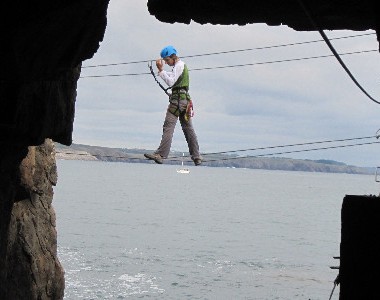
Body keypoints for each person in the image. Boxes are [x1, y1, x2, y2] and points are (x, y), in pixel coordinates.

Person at [144, 45, 202, 166]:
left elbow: (171, 81)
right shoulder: (178, 66)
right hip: (184, 101)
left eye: (166, 60)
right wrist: (162, 72)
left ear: (172, 57)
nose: (166, 62)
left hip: (177, 102)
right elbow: (173, 78)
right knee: (188, 129)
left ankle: (160, 154)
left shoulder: (180, 65)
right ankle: (196, 156)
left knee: (168, 127)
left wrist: (160, 71)